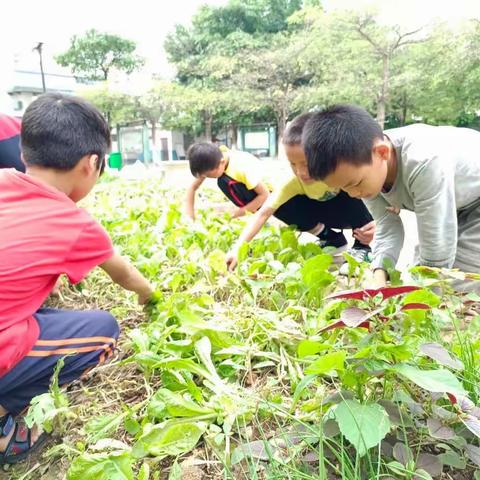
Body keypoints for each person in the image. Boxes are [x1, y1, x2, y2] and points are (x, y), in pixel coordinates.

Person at [0, 93, 154, 464]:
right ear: (92, 164)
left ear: (24, 153)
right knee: (103, 331)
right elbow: (125, 274)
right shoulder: (75, 223)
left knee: (36, 316)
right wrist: (151, 295)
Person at [302, 104, 480, 290]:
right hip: (460, 202)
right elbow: (388, 230)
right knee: (419, 273)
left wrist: (423, 297)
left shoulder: (423, 162)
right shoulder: (367, 167)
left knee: (457, 284)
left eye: (354, 184)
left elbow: (437, 252)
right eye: (344, 188)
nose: (353, 194)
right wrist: (378, 280)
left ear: (382, 153)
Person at [226, 113, 375, 272]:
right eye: (293, 164)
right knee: (281, 204)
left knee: (351, 190)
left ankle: (362, 247)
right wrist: (237, 249)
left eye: (306, 163)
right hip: (327, 214)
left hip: (352, 215)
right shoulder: (293, 182)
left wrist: (378, 221)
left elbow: (378, 190)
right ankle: (331, 238)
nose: (301, 172)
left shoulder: (342, 169)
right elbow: (263, 213)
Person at [184, 142, 270, 220]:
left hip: (271, 192)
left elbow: (265, 194)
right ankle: (253, 210)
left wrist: (235, 214)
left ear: (222, 162)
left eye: (209, 175)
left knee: (224, 181)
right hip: (257, 189)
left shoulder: (241, 168)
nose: (207, 178)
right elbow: (192, 188)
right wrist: (190, 219)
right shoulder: (216, 156)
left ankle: (260, 213)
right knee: (223, 180)